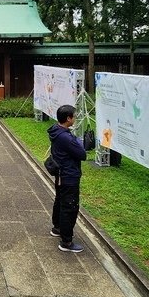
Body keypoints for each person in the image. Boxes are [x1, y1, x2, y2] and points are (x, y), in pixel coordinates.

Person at [48, 104, 86, 253]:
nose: (75, 118)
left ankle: (57, 228)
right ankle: (66, 241)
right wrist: (77, 142)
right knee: (69, 206)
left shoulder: (56, 130)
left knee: (60, 201)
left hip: (60, 174)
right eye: (74, 116)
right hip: (68, 175)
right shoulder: (65, 137)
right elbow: (82, 154)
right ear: (68, 119)